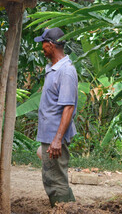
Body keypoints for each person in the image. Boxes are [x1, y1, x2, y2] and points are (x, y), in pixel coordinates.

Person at [34, 28, 78, 207]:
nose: (42, 48)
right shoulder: (54, 68)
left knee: (54, 179)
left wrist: (58, 139)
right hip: (49, 133)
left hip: (55, 135)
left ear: (51, 45)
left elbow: (68, 107)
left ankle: (64, 209)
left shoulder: (65, 71)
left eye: (43, 44)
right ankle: (69, 206)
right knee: (52, 171)